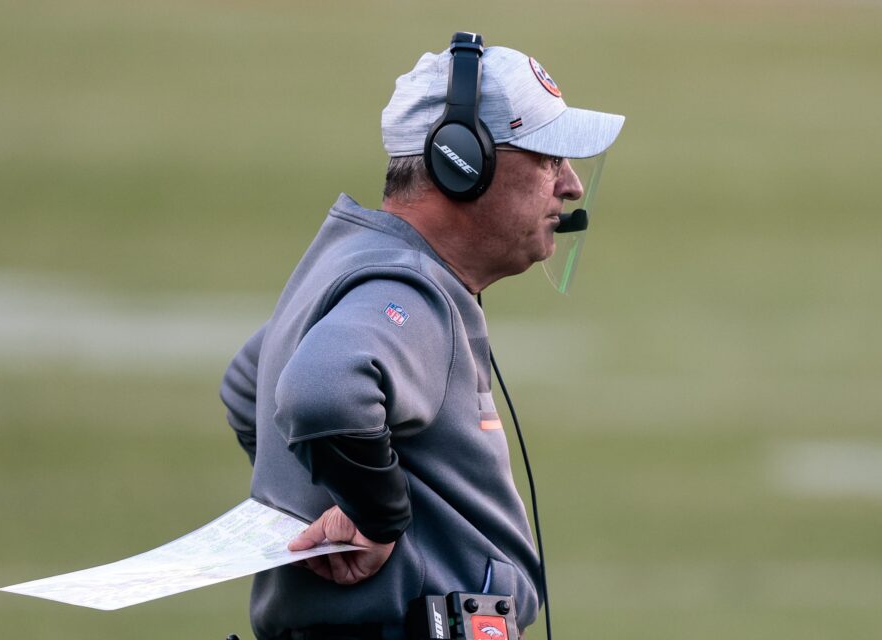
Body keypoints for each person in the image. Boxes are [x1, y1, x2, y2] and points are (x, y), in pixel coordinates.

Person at [220, 34, 624, 640]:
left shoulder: (356, 259)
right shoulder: (412, 291)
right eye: (547, 159)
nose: (570, 186)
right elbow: (320, 390)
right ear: (463, 164)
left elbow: (249, 379)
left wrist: (327, 491)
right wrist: (375, 518)